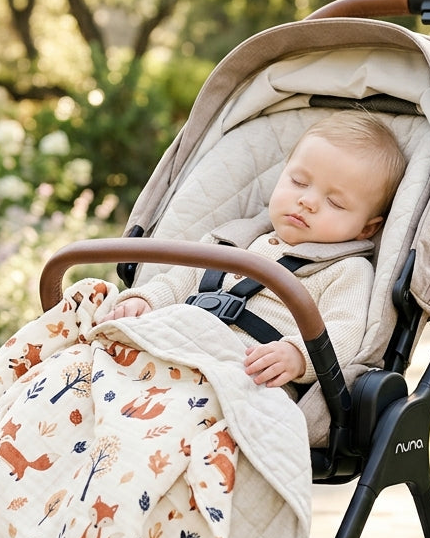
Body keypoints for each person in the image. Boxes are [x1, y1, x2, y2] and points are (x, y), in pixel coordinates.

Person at [98, 109, 407, 391]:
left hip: (245, 379)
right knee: (90, 308)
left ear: (367, 229)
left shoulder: (347, 270)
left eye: (335, 202)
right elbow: (176, 283)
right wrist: (145, 300)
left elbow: (345, 331)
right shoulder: (230, 239)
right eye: (299, 182)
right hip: (170, 351)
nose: (308, 201)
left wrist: (298, 355)